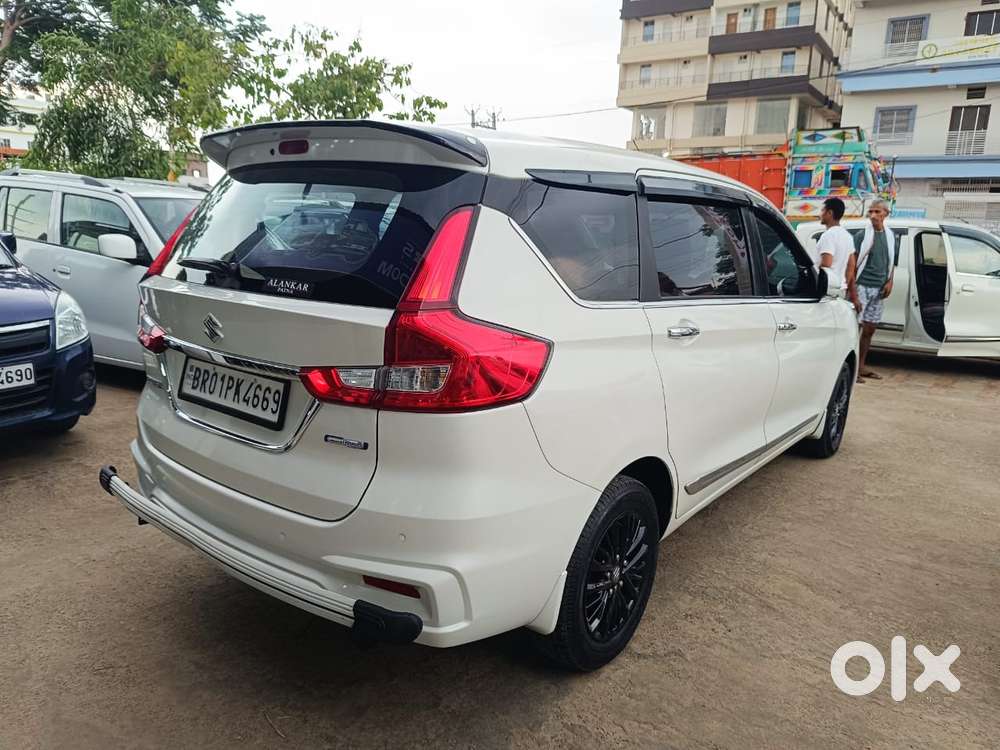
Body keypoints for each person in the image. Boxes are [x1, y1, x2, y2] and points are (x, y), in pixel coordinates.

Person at [849, 199, 895, 382]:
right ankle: (851, 369)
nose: (873, 215)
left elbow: (891, 261)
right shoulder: (863, 236)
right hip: (862, 285)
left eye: (877, 212)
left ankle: (861, 366)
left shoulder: (889, 236)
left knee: (870, 329)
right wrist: (853, 292)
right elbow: (852, 265)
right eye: (871, 212)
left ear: (886, 214)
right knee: (855, 328)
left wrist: (890, 281)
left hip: (879, 289)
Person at [815, 197, 855, 293]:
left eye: (822, 210)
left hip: (826, 288)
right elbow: (851, 264)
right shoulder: (847, 236)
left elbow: (826, 264)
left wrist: (814, 276)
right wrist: (844, 284)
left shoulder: (828, 235)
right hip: (839, 289)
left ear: (830, 213)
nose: (820, 214)